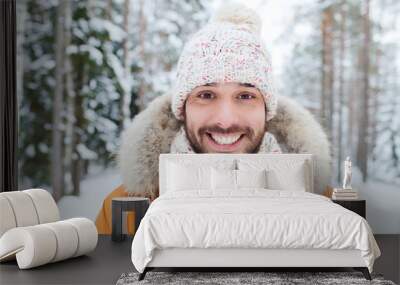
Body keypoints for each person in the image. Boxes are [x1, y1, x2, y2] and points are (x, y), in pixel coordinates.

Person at [95, 4, 331, 234]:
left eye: (246, 95)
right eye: (206, 95)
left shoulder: (322, 203)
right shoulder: (124, 210)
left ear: (267, 111)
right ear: (182, 109)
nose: (226, 121)